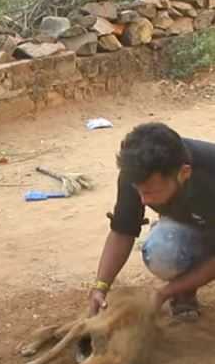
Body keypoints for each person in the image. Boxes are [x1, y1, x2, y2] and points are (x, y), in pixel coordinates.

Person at [89, 122, 215, 320]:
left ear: (184, 173)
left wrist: (165, 292)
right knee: (163, 249)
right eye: (139, 191)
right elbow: (123, 230)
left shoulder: (209, 175)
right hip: (197, 223)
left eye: (151, 192)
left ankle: (180, 288)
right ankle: (185, 291)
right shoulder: (138, 174)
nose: (143, 200)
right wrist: (100, 287)